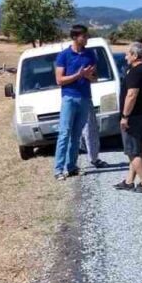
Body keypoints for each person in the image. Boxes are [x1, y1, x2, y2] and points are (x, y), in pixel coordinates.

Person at [52, 24, 98, 181]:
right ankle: (58, 169)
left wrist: (88, 76)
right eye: (84, 36)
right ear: (75, 37)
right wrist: (78, 75)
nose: (86, 39)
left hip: (85, 98)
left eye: (87, 36)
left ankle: (71, 166)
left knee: (76, 135)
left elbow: (95, 77)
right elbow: (59, 80)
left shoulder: (90, 54)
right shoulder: (64, 55)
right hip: (69, 98)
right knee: (64, 133)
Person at [115, 42, 142, 192]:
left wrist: (125, 116)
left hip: (133, 117)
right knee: (137, 149)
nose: (126, 57)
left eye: (128, 54)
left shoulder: (135, 72)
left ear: (134, 55)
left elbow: (131, 95)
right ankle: (129, 181)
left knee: (132, 152)